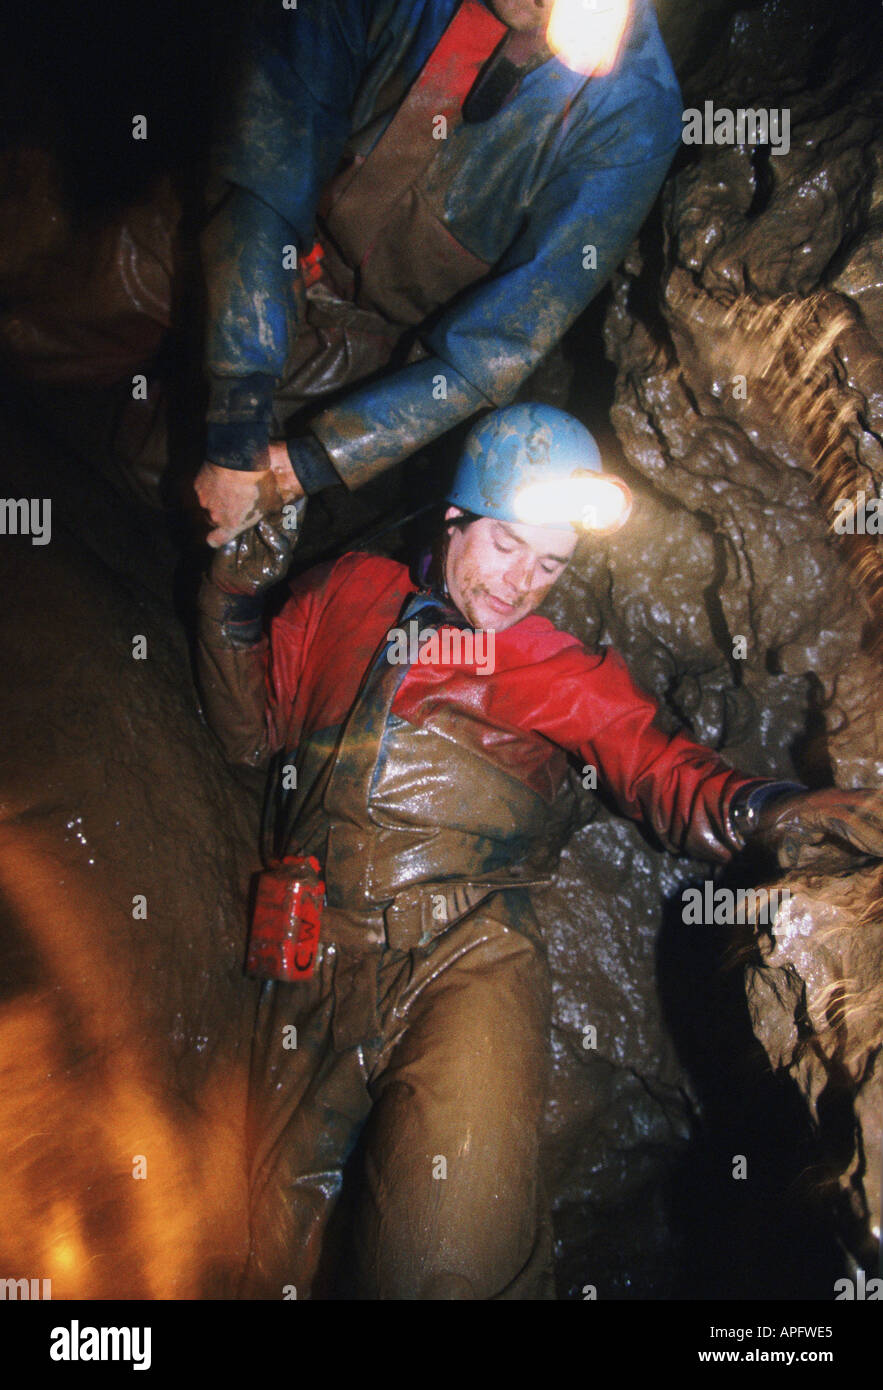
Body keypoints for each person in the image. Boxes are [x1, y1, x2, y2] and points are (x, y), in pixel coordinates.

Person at [195, 403, 883, 1299]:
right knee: (265, 1263)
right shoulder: (346, 592)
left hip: (462, 962)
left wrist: (766, 810)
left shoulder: (551, 667)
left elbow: (655, 765)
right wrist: (232, 596)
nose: (524, 583)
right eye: (509, 546)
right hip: (309, 968)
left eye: (551, 562)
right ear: (453, 522)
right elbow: (252, 737)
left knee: (447, 1267)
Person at [193, 0, 684, 544]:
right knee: (106, 291)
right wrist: (239, 405)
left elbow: (495, 344)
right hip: (243, 241)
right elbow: (267, 166)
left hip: (363, 343)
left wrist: (305, 466)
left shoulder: (634, 111)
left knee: (219, 530)